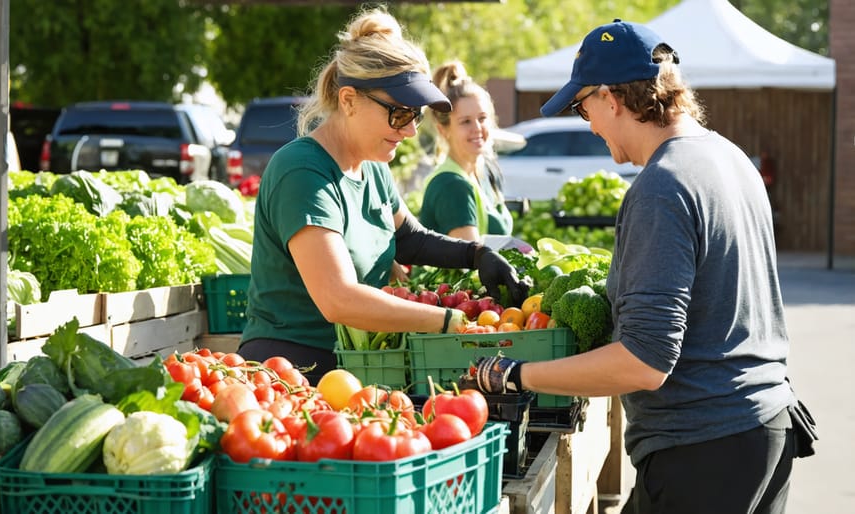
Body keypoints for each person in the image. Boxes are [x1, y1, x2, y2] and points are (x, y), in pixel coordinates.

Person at [474, 20, 798, 514]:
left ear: (611, 97)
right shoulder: (730, 158)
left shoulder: (662, 185)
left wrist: (517, 375)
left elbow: (645, 362)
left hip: (703, 450)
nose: (590, 124)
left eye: (583, 109)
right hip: (764, 427)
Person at [237, 7, 528, 383]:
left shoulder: (373, 166)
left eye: (416, 116)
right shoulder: (302, 172)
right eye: (398, 114)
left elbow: (408, 239)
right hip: (294, 370)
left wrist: (476, 254)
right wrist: (448, 321)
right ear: (348, 100)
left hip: (361, 365)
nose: (409, 131)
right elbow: (337, 299)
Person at [419, 60, 513, 242]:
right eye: (465, 121)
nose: (477, 128)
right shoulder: (451, 185)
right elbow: (470, 263)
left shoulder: (484, 172)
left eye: (482, 118)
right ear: (443, 130)